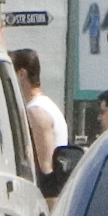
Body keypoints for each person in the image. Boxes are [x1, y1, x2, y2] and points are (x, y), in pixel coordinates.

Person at [13, 47, 73, 194]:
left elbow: (47, 169)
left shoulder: (36, 110)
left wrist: (50, 215)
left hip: (48, 199)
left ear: (22, 74)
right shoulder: (44, 105)